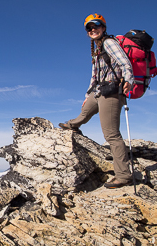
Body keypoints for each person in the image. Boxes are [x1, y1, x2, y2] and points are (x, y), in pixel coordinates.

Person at [59, 13, 134, 189]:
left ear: (103, 28)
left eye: (96, 26)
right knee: (85, 112)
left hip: (111, 92)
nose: (93, 29)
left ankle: (123, 175)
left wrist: (129, 81)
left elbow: (125, 63)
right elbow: (94, 77)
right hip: (99, 90)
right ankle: (72, 125)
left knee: (111, 135)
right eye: (89, 28)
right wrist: (87, 96)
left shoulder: (109, 43)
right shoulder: (96, 50)